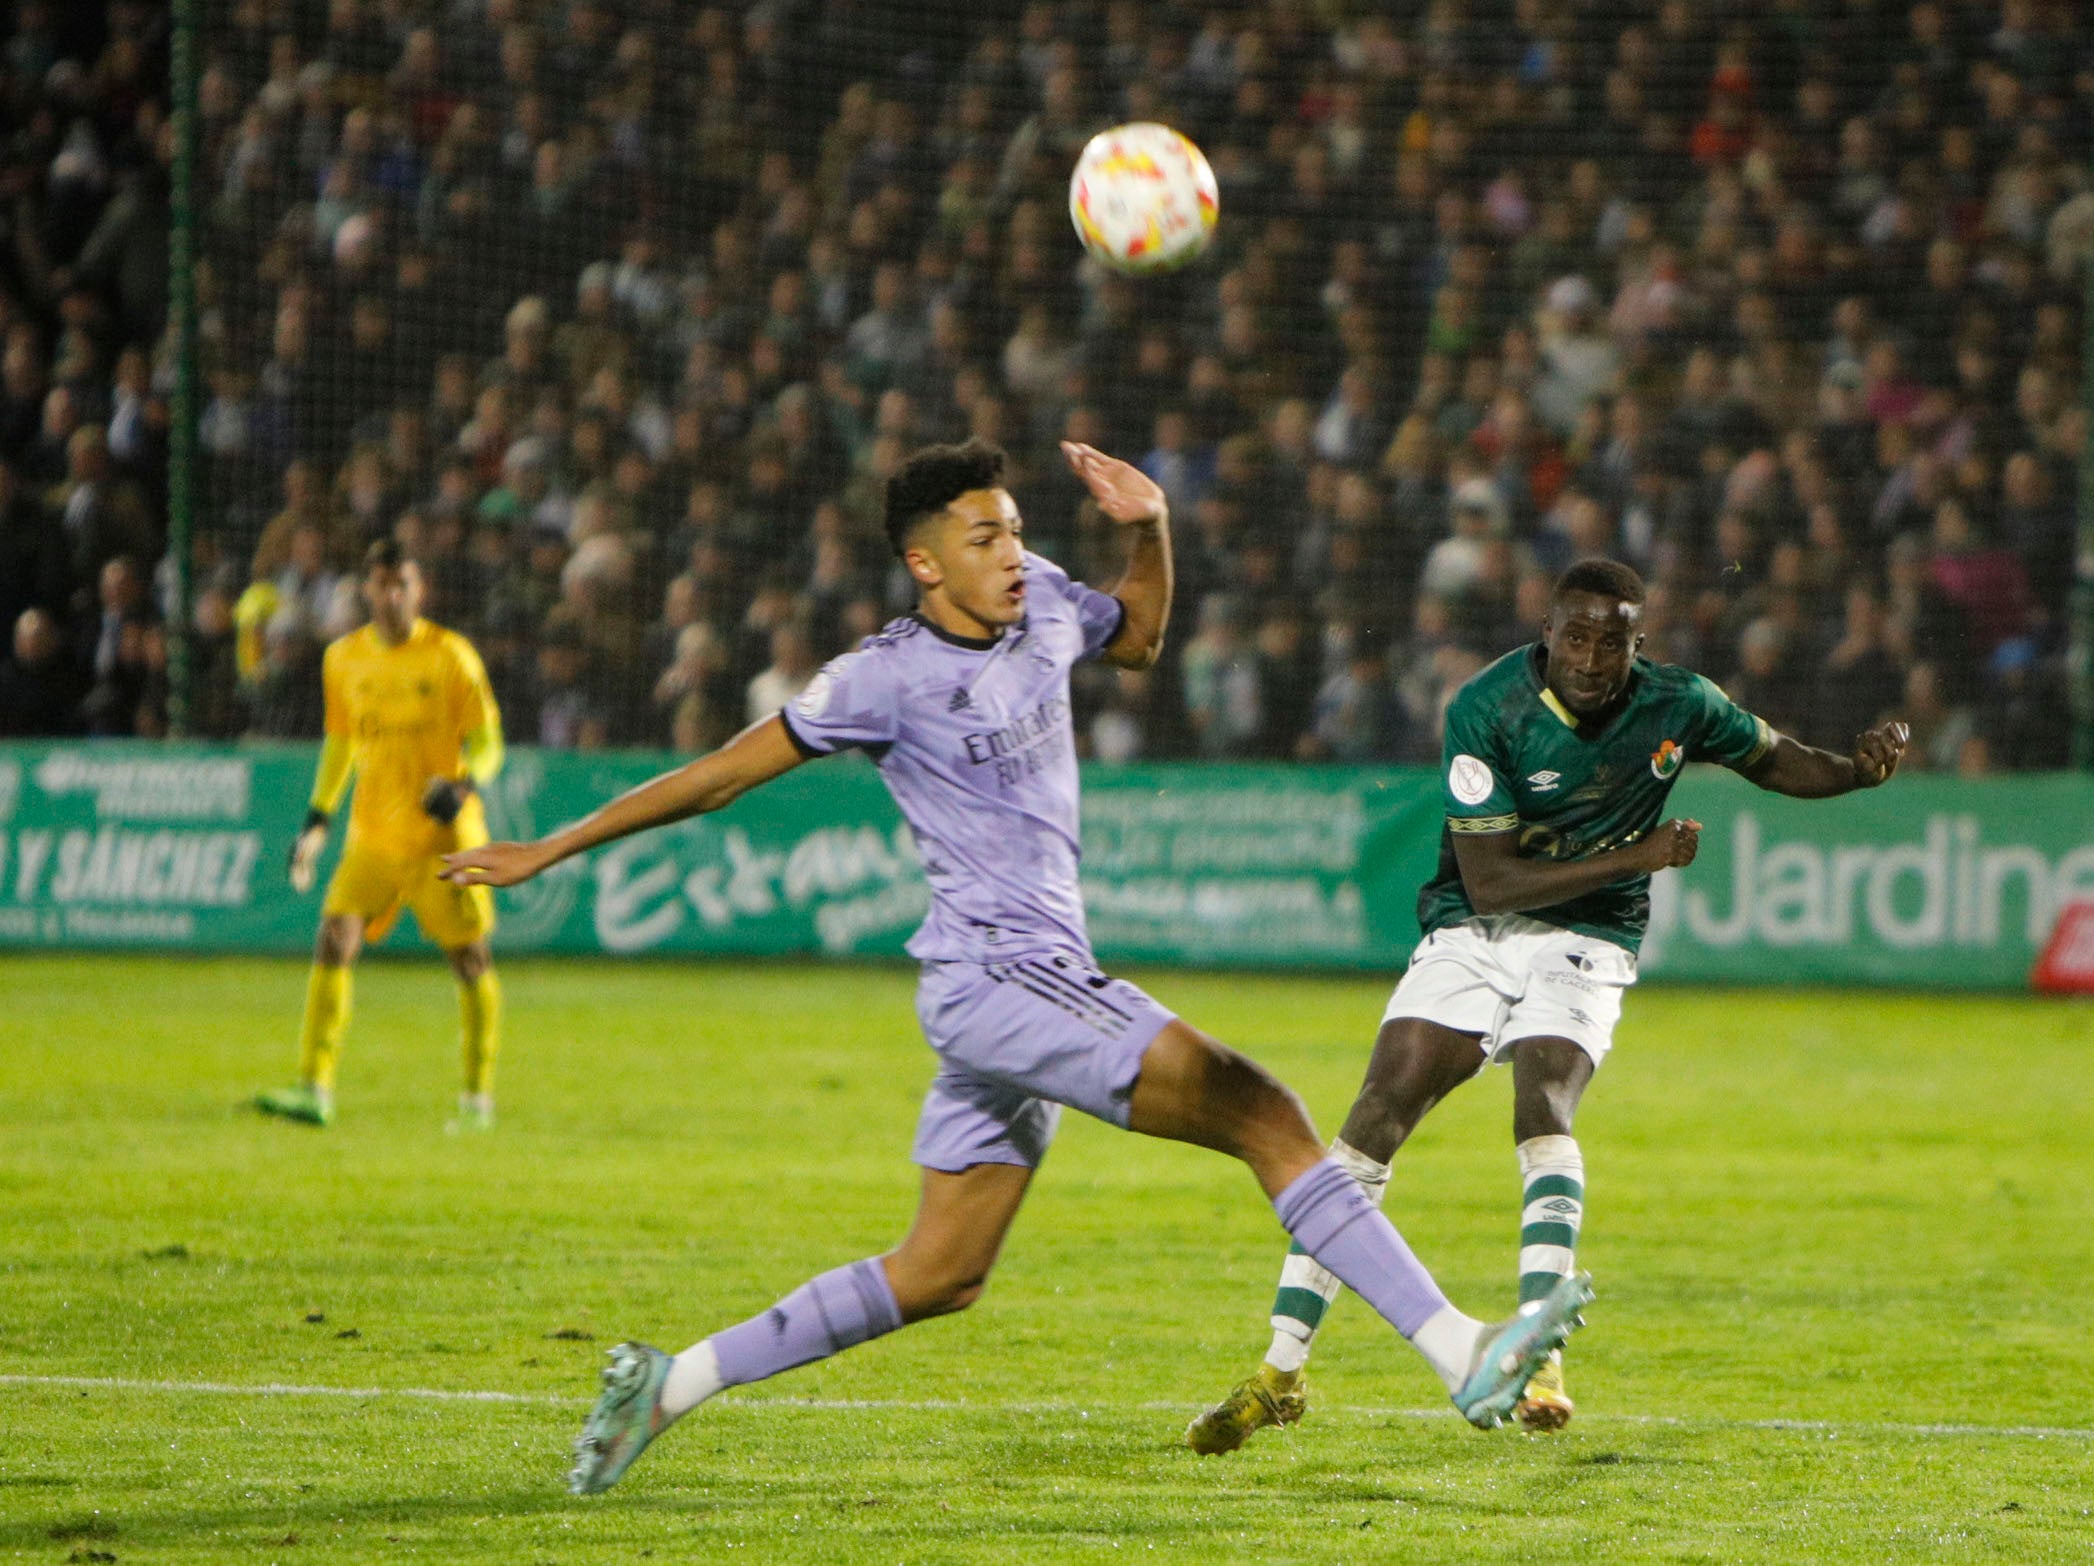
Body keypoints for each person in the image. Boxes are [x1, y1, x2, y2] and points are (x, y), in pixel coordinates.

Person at [439, 439, 1592, 1497]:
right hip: (998, 976)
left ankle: (667, 1382)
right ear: (923, 564)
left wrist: (1150, 530)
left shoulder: (1043, 605)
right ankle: (1462, 1351)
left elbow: (1136, 640)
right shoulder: (879, 678)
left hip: (1016, 990)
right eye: (983, 538)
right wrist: (551, 847)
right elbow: (724, 774)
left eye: (1014, 529)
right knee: (1265, 1110)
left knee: (942, 1271)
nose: (1012, 554)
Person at [1186, 558, 1910, 1454]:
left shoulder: (1679, 702)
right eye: (1577, 637)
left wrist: (1853, 772)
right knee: (1370, 1123)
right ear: (1548, 634)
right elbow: (1489, 881)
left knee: (1544, 1107)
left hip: (1591, 937)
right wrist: (1636, 855)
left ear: (1639, 644)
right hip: (1476, 924)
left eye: (1614, 641)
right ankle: (1278, 1376)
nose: (1594, 657)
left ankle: (1540, 1355)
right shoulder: (1485, 710)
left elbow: (1775, 759)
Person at [254, 538, 507, 1132]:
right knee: (333, 939)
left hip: (442, 841)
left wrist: (463, 784)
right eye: (381, 584)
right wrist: (318, 819)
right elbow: (341, 744)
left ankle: (477, 1100)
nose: (391, 596)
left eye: (403, 585)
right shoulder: (342, 659)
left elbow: (490, 741)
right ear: (366, 589)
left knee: (470, 960)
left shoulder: (451, 656)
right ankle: (314, 1088)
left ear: (420, 591)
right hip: (372, 836)